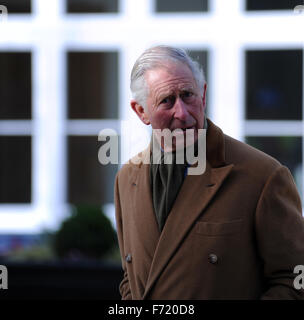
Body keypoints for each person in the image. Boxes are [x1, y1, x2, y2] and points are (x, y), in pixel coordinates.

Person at [114, 45, 304, 300]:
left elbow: (295, 280)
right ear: (141, 112)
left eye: (188, 95)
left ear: (203, 95)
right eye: (167, 101)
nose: (182, 113)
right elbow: (131, 279)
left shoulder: (263, 176)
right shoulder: (127, 179)